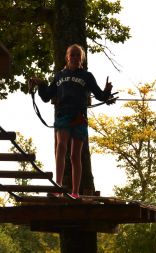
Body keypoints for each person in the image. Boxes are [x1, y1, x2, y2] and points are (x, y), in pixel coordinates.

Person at [29, 44, 113, 199]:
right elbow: (47, 96)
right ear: (67, 57)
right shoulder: (59, 76)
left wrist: (107, 90)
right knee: (61, 147)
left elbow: (100, 96)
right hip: (63, 115)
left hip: (79, 117)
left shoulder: (86, 76)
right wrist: (40, 84)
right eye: (72, 55)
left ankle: (75, 192)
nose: (75, 58)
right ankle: (58, 187)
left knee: (75, 155)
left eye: (77, 55)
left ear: (81, 59)